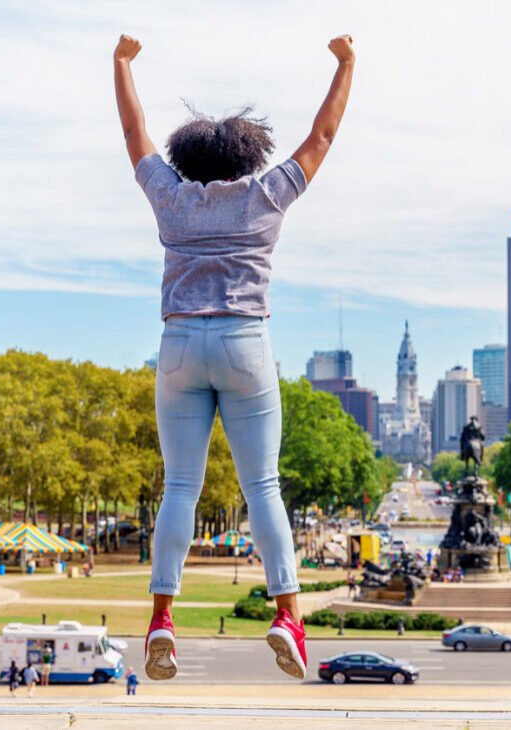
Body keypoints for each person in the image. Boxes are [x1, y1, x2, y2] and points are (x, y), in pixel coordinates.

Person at [115, 31, 355, 684]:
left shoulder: (171, 198)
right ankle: (288, 616)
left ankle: (162, 619)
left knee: (181, 488)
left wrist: (122, 65)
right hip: (247, 345)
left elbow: (134, 132)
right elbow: (322, 136)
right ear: (248, 157)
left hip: (179, 348)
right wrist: (345, 65)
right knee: (263, 488)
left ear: (187, 160)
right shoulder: (264, 197)